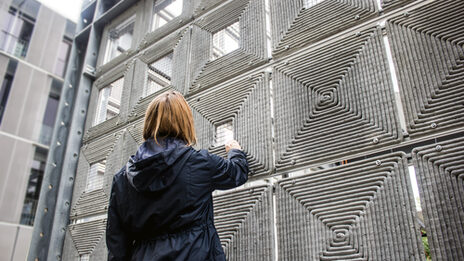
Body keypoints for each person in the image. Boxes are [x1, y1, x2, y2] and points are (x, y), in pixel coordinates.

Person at [106, 90, 249, 260]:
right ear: (185, 122)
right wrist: (234, 151)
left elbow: (117, 244)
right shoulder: (198, 162)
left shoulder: (122, 178)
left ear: (149, 123)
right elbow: (237, 172)